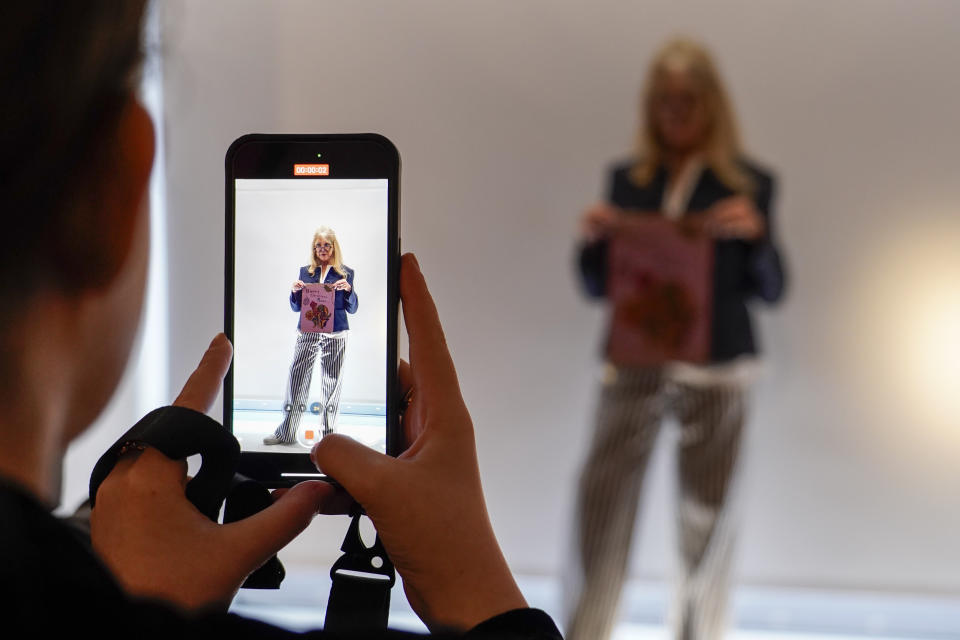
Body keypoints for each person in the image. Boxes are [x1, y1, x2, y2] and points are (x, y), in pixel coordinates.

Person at [0, 4, 560, 638]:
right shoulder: (312, 272)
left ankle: (321, 425)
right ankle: (299, 424)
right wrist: (480, 593)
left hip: (337, 337)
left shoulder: (342, 276)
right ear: (114, 186)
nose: (321, 253)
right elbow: (302, 309)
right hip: (309, 337)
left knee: (328, 386)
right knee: (301, 382)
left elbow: (343, 310)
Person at [567, 38, 786, 640]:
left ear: (711, 104)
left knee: (708, 520)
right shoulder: (628, 181)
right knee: (602, 505)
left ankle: (699, 633)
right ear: (650, 106)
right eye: (664, 101)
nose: (676, 112)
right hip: (634, 363)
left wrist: (757, 239)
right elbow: (596, 287)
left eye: (687, 100)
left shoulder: (749, 184)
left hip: (717, 370)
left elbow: (772, 289)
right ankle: (586, 630)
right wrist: (592, 242)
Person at [265, 226, 358, 445]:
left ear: (334, 247)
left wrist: (349, 291)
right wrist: (295, 292)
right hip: (308, 331)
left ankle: (328, 436)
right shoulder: (305, 272)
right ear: (314, 248)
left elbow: (352, 308)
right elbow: (297, 307)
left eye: (327, 245)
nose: (323, 249)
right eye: (319, 245)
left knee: (331, 384)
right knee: (297, 378)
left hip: (336, 333)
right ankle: (286, 432)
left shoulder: (346, 273)